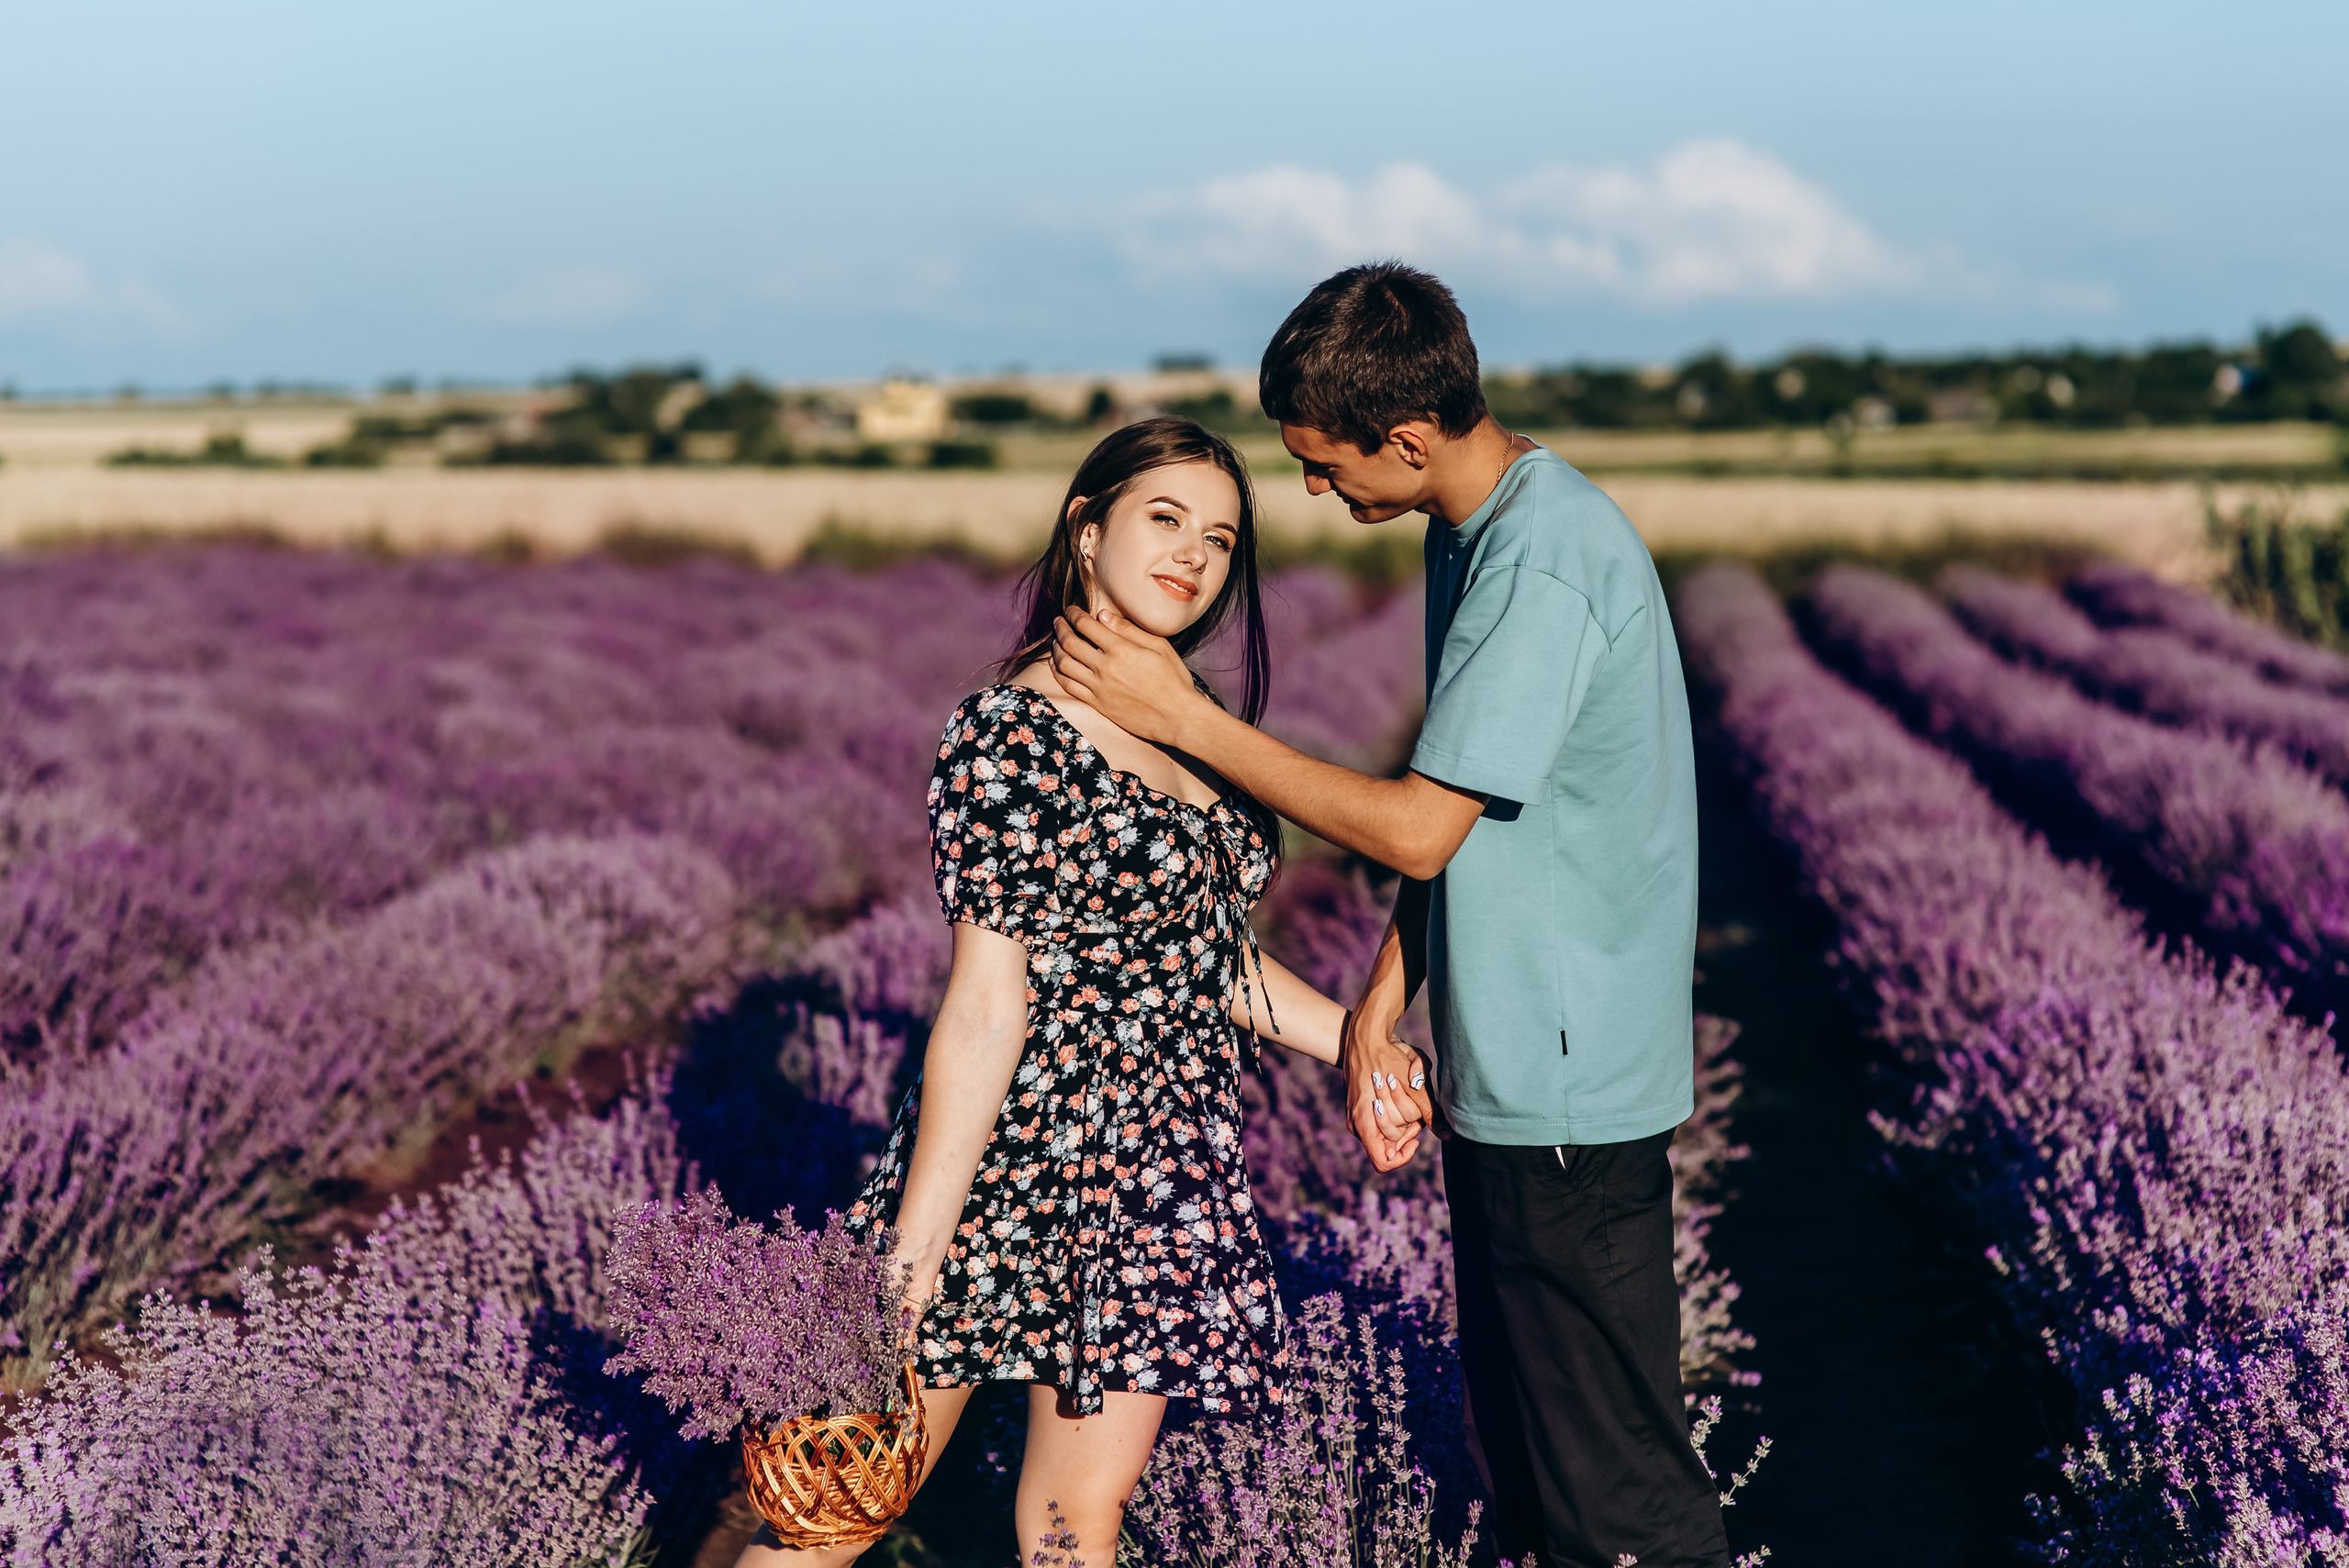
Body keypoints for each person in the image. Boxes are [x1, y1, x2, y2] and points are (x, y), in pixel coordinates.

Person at [1050, 264, 1728, 1568]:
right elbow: (1473, 813)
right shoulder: (1468, 526)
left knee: (1620, 1498)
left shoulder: (1540, 563)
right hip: (1515, 1059)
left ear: (1407, 441)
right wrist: (1377, 1004)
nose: (1312, 489)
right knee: (1532, 1465)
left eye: (1321, 461)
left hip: (1568, 1082)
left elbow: (1417, 822)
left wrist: (1187, 720)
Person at [739, 417, 1382, 1566]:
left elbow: (1199, 958)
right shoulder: (1010, 729)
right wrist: (910, 1255)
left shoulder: (1190, 722)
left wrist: (1367, 1048)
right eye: (1165, 518)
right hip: (1014, 1161)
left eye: (1222, 539)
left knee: (1073, 1525)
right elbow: (988, 1002)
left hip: (1157, 1183)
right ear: (1087, 533)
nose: (1194, 554)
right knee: (835, 1506)